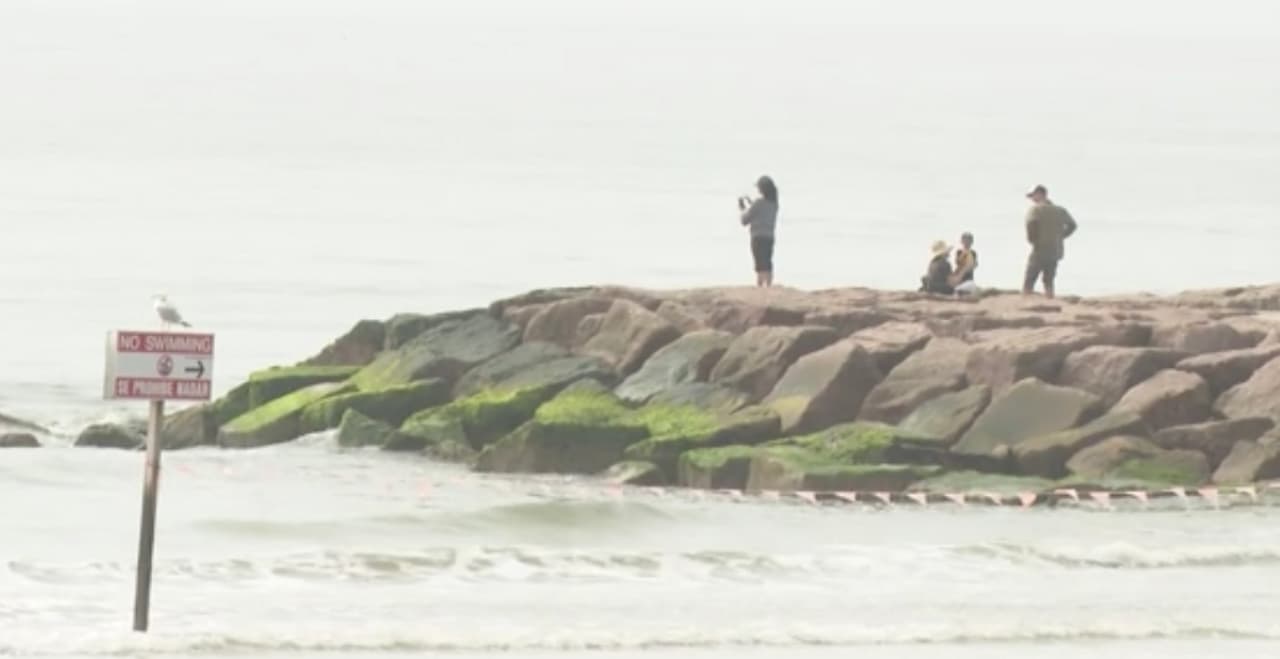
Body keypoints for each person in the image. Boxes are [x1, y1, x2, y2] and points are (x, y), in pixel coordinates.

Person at [1023, 184, 1078, 299]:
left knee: (1030, 277)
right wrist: (1061, 236)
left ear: (1040, 194)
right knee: (1049, 279)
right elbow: (1072, 225)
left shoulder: (1035, 209)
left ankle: (1026, 300)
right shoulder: (1060, 210)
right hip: (1055, 250)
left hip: (1039, 249)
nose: (1032, 199)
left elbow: (1030, 225)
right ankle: (1050, 299)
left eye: (1033, 196)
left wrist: (1033, 240)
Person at [738, 175, 779, 287]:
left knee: (759, 264)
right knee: (767, 263)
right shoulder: (774, 204)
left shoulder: (759, 203)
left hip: (758, 236)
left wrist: (742, 208)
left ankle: (760, 287)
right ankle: (768, 286)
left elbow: (744, 220)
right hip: (769, 236)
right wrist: (752, 205)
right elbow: (762, 213)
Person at [951, 231, 979, 295]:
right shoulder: (959, 252)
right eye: (965, 240)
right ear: (962, 241)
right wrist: (965, 253)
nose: (967, 243)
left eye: (969, 241)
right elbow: (957, 262)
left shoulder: (973, 253)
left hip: (969, 275)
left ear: (971, 242)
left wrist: (973, 265)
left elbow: (975, 264)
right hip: (960, 275)